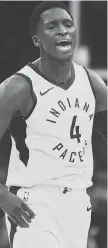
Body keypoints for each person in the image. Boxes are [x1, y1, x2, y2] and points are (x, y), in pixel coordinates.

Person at [0, 1, 107, 248]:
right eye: (52, 26)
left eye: (68, 24)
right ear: (37, 40)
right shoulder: (18, 88)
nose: (62, 30)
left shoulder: (92, 83)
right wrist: (3, 196)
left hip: (78, 204)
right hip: (32, 205)